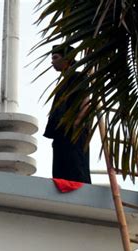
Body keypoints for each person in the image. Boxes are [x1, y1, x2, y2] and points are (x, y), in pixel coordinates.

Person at [44, 45, 91, 184]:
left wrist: (77, 122)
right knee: (60, 168)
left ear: (67, 59)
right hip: (61, 131)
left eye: (55, 57)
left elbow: (86, 101)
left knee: (76, 166)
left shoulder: (77, 76)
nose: (52, 61)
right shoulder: (63, 81)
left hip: (73, 131)